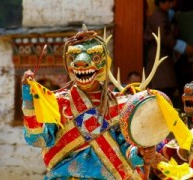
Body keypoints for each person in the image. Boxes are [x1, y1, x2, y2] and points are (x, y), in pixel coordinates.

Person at [21, 27, 167, 179]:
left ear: (104, 64)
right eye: (74, 57)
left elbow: (127, 149)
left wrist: (139, 152)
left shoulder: (120, 105)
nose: (81, 63)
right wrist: (30, 102)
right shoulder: (57, 103)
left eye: (95, 58)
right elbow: (38, 139)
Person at [144, 0, 193, 102]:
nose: (171, 5)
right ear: (161, 3)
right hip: (159, 55)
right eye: (168, 2)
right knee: (163, 86)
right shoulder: (159, 16)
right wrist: (182, 46)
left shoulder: (163, 14)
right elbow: (163, 36)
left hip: (162, 54)